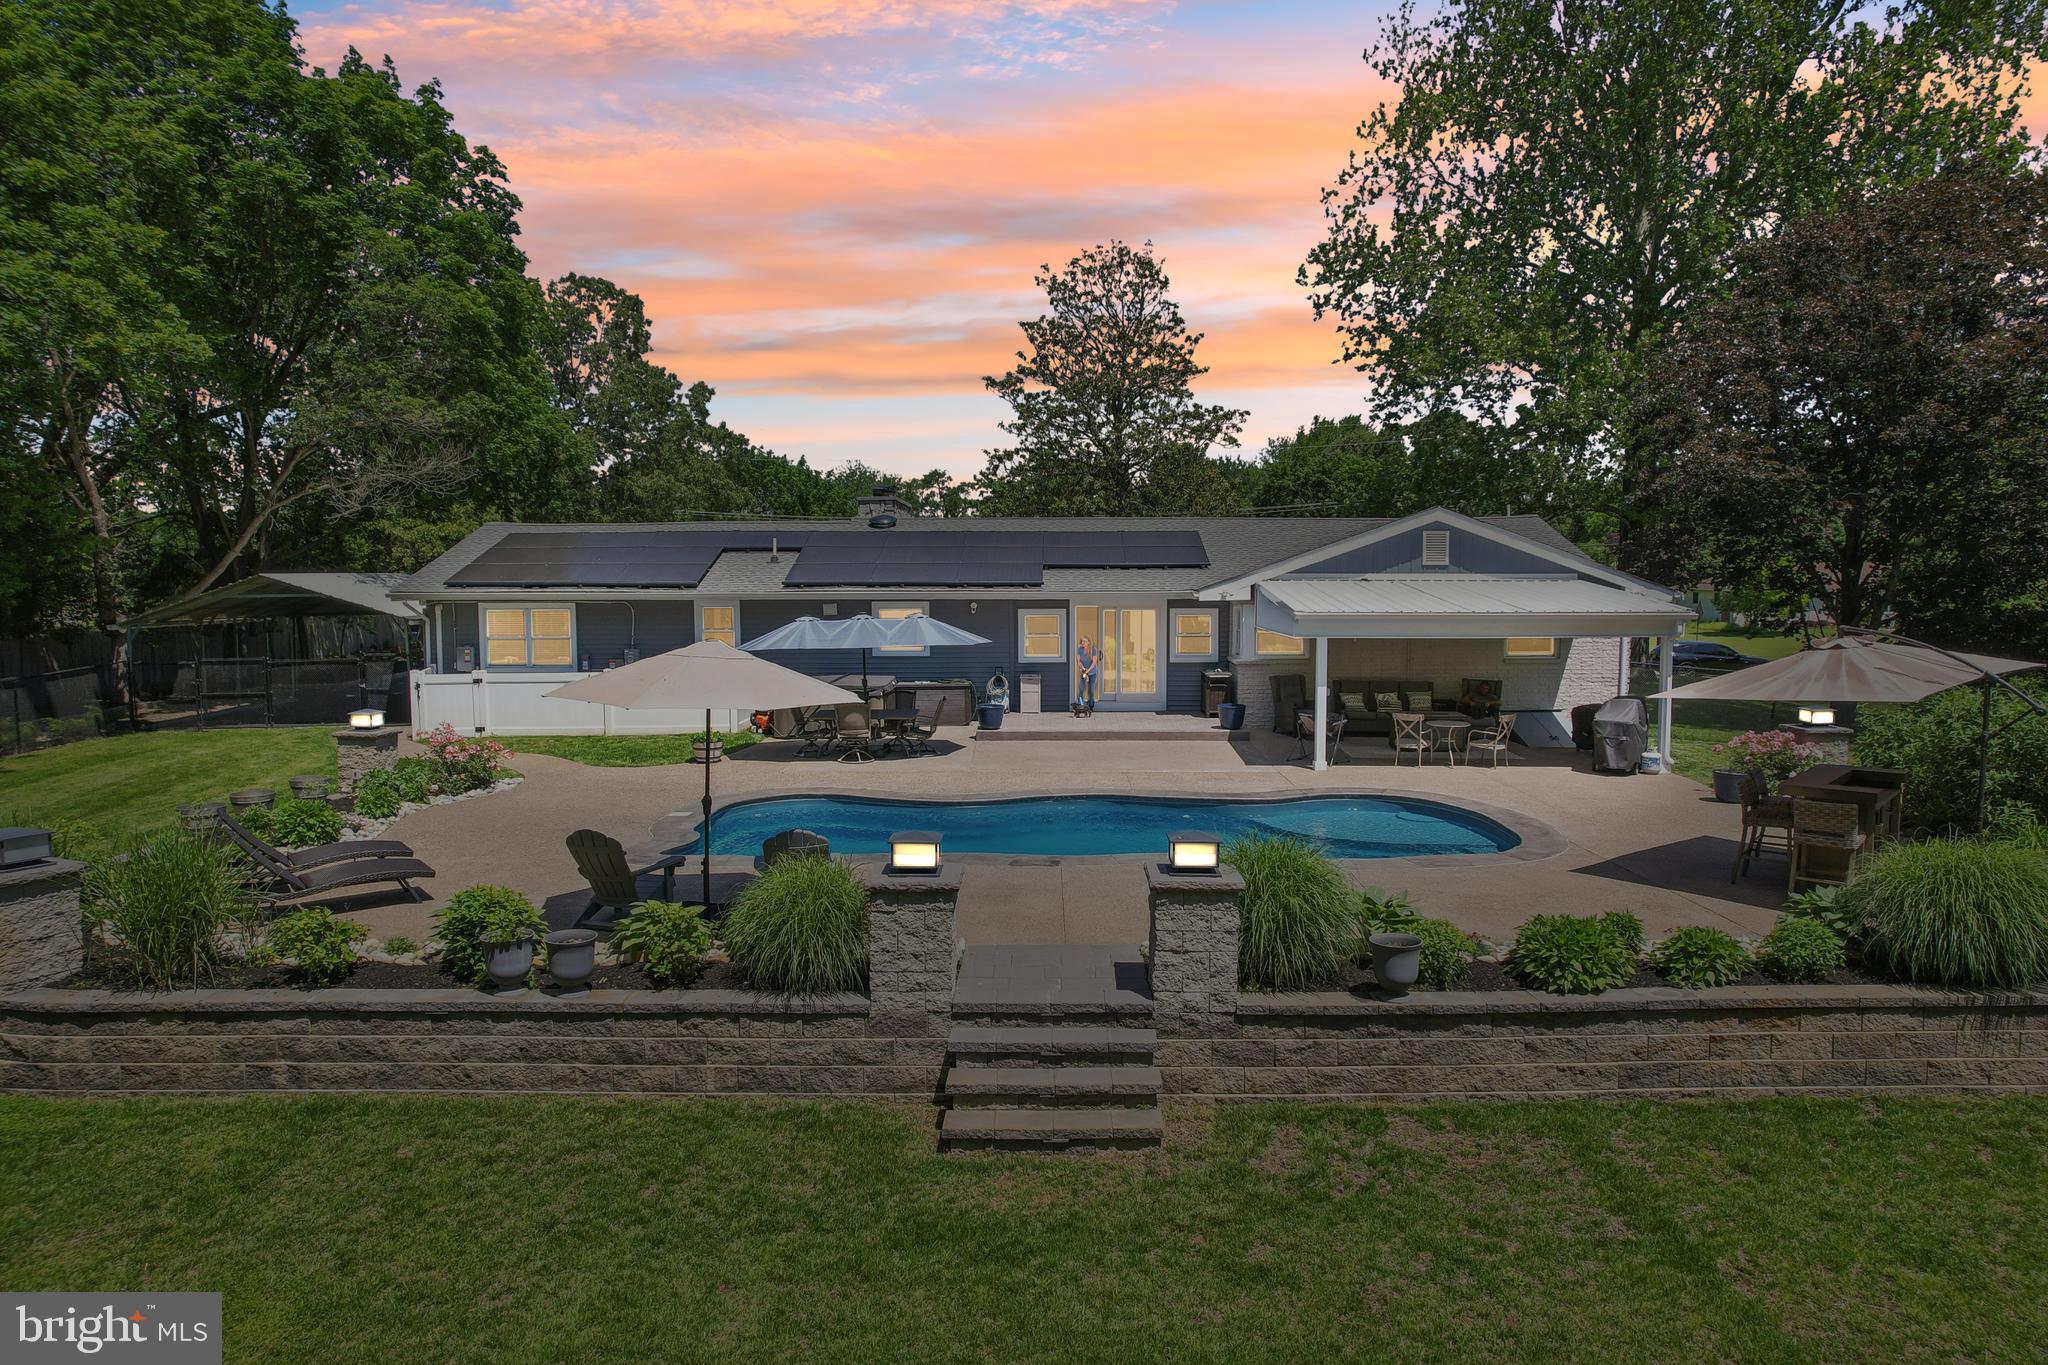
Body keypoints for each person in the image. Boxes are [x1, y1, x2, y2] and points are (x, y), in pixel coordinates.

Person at [1075, 635, 1099, 714]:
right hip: (1083, 671)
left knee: (1091, 691)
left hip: (1092, 672)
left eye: (1084, 641)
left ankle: (1090, 706)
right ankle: (1080, 706)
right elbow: (1078, 661)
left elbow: (1094, 663)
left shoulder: (1093, 649)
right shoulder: (1079, 649)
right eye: (1082, 641)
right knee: (1081, 690)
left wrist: (1087, 671)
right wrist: (1083, 668)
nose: (1083, 642)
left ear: (1089, 642)